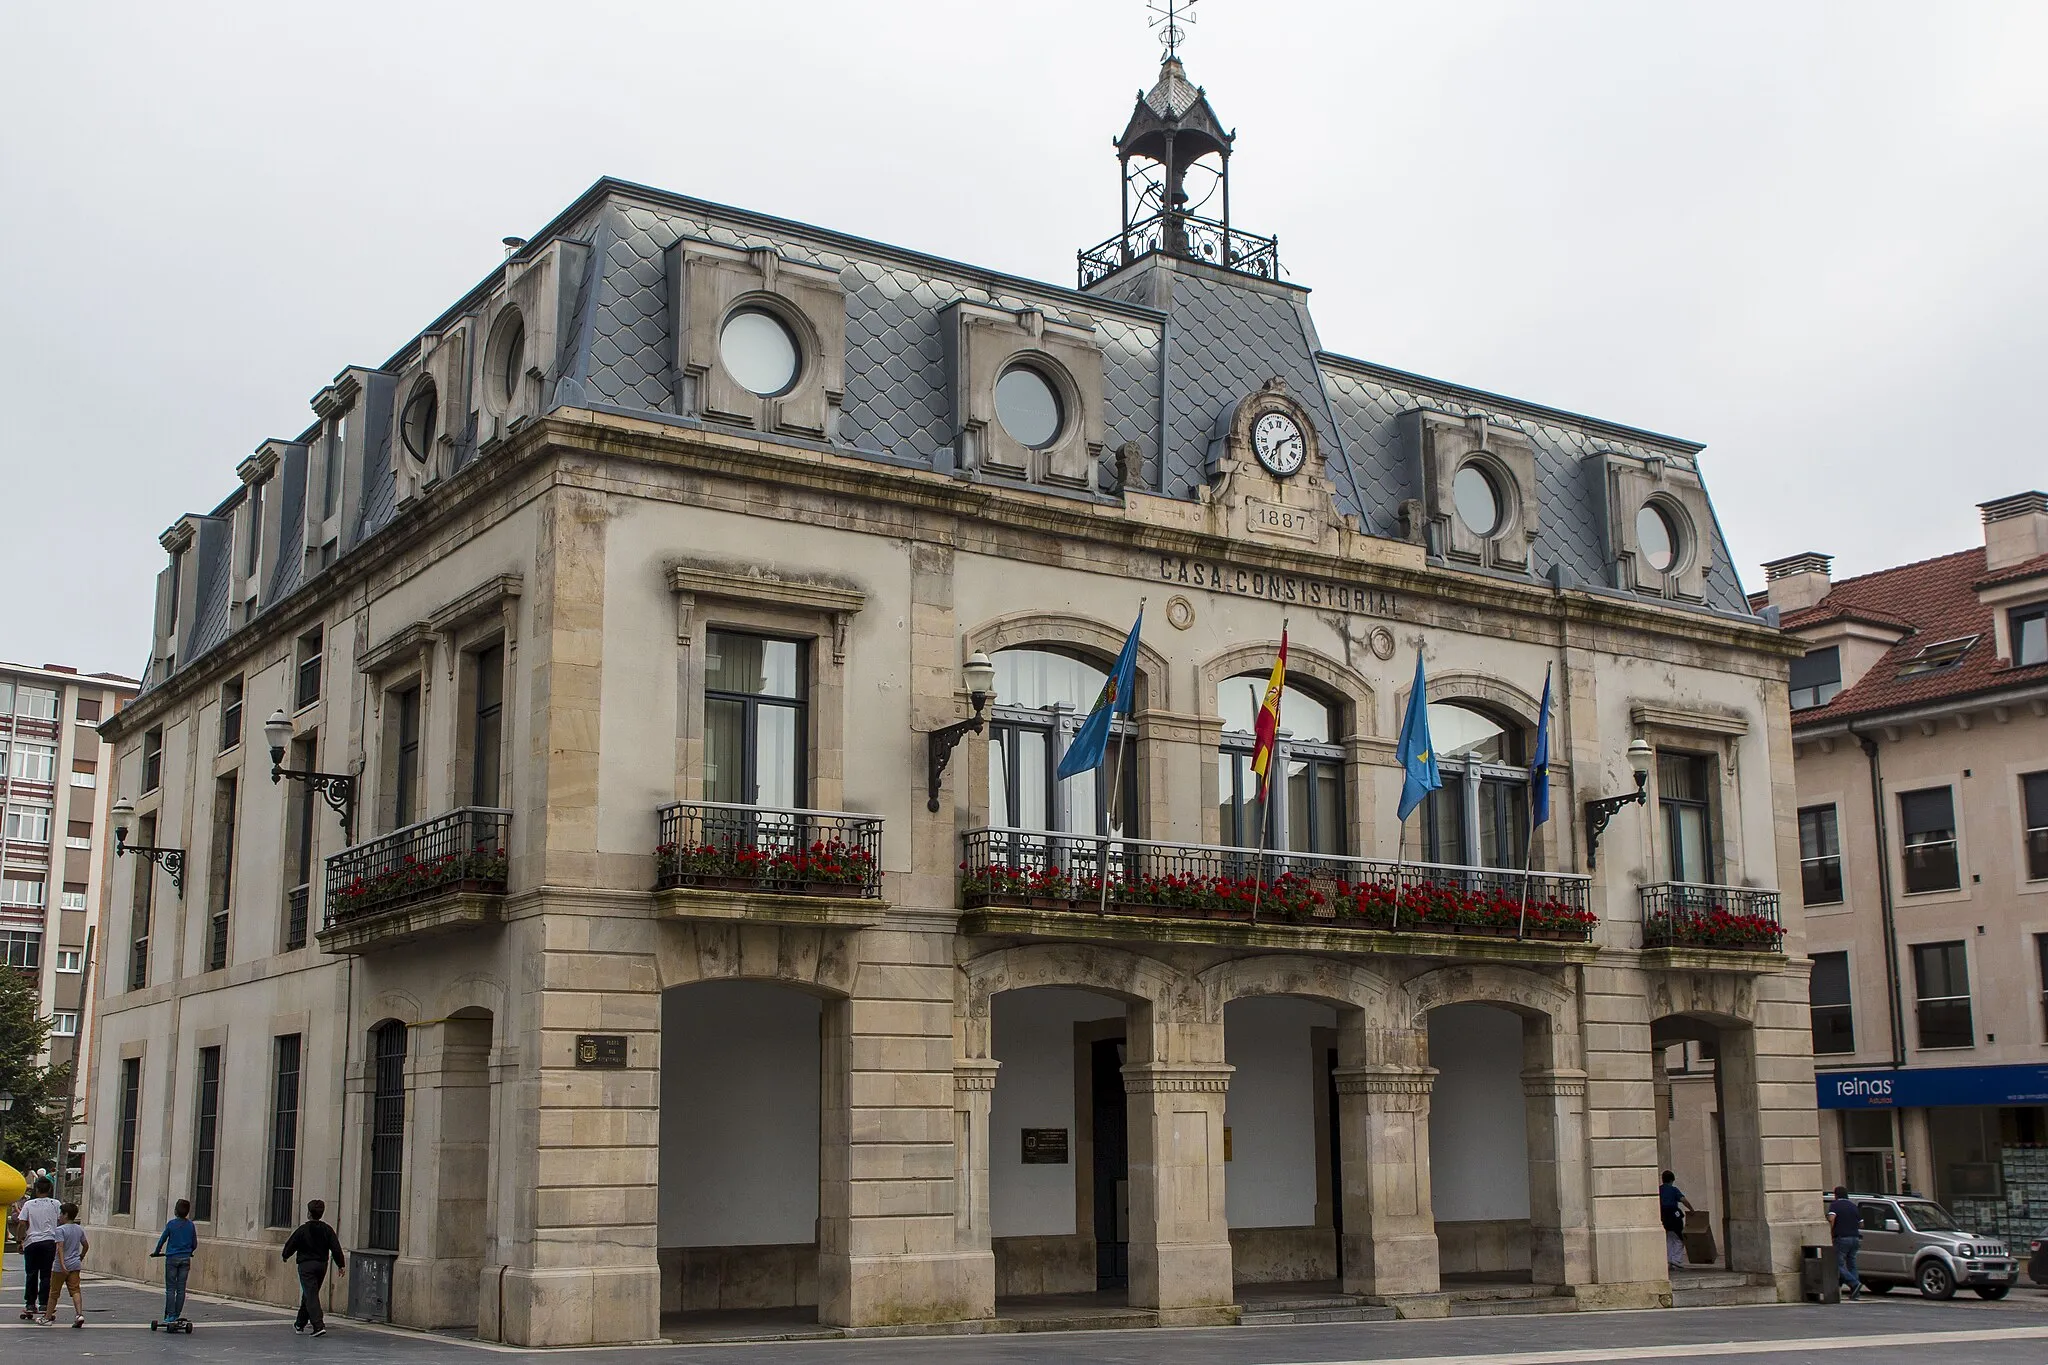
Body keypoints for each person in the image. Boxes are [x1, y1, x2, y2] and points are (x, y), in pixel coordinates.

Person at [281, 1199, 346, 1337]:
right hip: (322, 1266)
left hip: (306, 1266)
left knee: (311, 1294)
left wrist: (285, 1255)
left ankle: (318, 1325)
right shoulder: (327, 1230)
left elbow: (291, 1244)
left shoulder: (303, 1230)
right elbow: (336, 1247)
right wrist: (341, 1265)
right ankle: (300, 1323)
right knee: (309, 1293)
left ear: (309, 1213)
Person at [15, 1177, 63, 1323]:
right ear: (49, 1189)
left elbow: (22, 1223)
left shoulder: (29, 1204)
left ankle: (30, 1304)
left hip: (32, 1242)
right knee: (47, 1275)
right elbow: (60, 1221)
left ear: (36, 1189)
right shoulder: (56, 1204)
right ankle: (44, 1304)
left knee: (31, 1273)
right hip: (49, 1242)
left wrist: (20, 1240)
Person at [150, 1198, 198, 1325]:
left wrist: (156, 1251)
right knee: (181, 1289)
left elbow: (162, 1240)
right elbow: (194, 1244)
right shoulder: (191, 1225)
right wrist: (189, 1250)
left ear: (176, 1210)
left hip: (172, 1258)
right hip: (185, 1259)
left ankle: (170, 1315)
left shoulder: (171, 1224)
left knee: (170, 1288)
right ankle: (177, 1314)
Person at [53, 1203, 89, 1327]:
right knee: (75, 1290)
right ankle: (79, 1314)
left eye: (61, 1214)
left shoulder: (60, 1230)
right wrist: (81, 1256)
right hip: (75, 1263)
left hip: (61, 1266)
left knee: (54, 1292)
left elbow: (60, 1248)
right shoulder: (79, 1229)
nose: (59, 1217)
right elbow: (86, 1245)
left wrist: (62, 1264)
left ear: (66, 1215)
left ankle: (47, 1317)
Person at [1828, 1185, 1864, 1300]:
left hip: (1842, 1238)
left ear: (1836, 1195)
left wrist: (1831, 1232)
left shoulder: (1835, 1205)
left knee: (1837, 1264)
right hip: (1855, 1237)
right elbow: (1861, 1223)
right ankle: (1855, 1293)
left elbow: (1831, 1219)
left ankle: (1854, 1283)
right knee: (1852, 1264)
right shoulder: (1853, 1206)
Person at [1659, 1170, 1695, 1272]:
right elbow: (1683, 1200)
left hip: (1663, 1216)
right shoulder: (1673, 1190)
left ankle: (1670, 1260)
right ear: (1671, 1180)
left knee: (1669, 1237)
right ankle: (1677, 1260)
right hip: (1673, 1215)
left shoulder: (1659, 1190)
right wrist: (1692, 1210)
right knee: (1681, 1237)